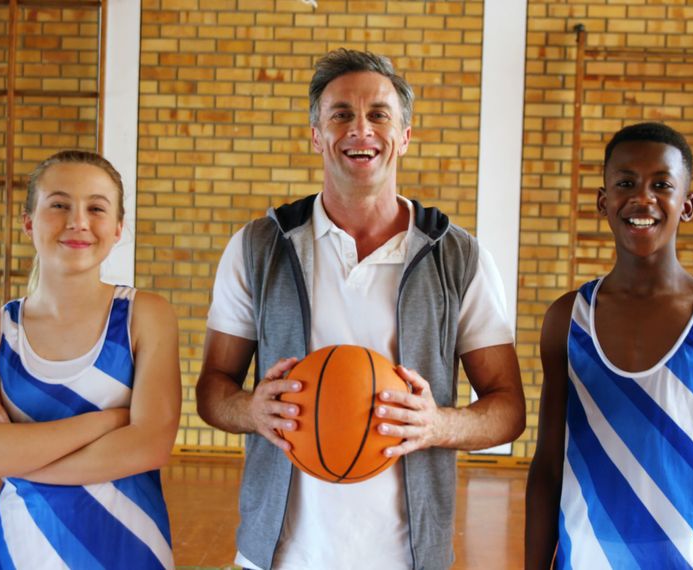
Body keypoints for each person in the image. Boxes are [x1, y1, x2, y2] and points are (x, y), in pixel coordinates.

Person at [196, 48, 526, 570]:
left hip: (408, 556)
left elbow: (508, 410)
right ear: (316, 135)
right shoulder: (259, 247)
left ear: (405, 136)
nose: (360, 129)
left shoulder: (458, 256)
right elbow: (213, 391)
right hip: (279, 555)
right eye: (341, 114)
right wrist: (251, 409)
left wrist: (437, 425)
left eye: (379, 114)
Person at [525, 122, 693, 569]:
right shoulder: (568, 319)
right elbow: (546, 468)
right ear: (603, 200)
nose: (643, 198)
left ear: (687, 205)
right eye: (626, 183)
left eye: (662, 185)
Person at [0, 150, 181, 569]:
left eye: (96, 207)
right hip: (27, 549)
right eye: (58, 205)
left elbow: (150, 445)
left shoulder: (146, 316)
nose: (78, 221)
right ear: (28, 222)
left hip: (131, 548)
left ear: (117, 228)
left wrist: (18, 458)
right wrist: (110, 421)